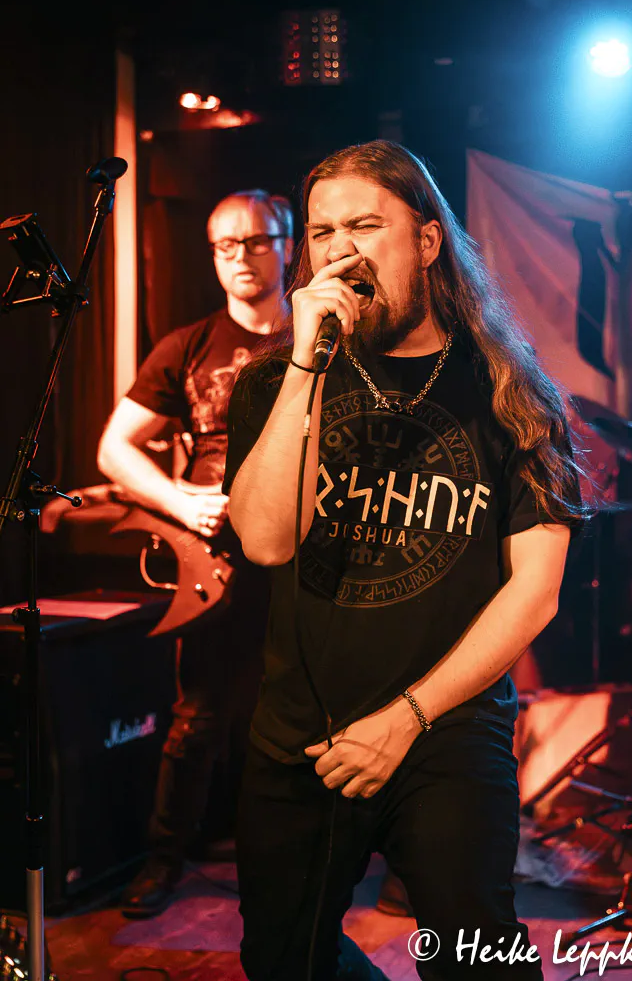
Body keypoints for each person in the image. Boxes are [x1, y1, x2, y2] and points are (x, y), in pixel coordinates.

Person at [222, 141, 588, 980]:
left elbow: (534, 593)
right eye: (321, 232)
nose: (340, 251)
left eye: (364, 226)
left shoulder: (512, 396)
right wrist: (306, 366)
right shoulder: (273, 384)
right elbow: (267, 540)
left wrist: (406, 718)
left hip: (446, 730)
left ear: (426, 242)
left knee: (477, 963)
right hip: (302, 734)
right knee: (283, 962)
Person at [98, 188, 294, 917]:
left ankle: (301, 862)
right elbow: (115, 447)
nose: (241, 257)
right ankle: (164, 858)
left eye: (256, 240)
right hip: (220, 558)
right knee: (199, 715)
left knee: (304, 713)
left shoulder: (321, 336)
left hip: (306, 556)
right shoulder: (187, 345)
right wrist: (179, 501)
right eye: (225, 245)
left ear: (288, 244)